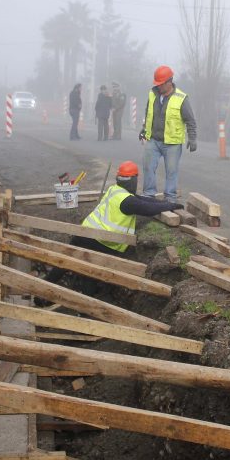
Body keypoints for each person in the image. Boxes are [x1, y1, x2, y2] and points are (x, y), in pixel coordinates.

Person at [43, 161, 183, 292]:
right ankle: (84, 306)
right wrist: (170, 205)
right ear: (134, 179)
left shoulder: (115, 190)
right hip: (101, 241)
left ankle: (42, 291)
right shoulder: (127, 202)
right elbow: (147, 208)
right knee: (91, 272)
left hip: (85, 233)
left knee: (66, 262)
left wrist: (165, 203)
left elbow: (142, 200)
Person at [139, 65, 198, 200]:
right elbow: (149, 114)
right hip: (153, 139)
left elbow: (190, 120)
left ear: (169, 82)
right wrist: (144, 129)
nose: (158, 87)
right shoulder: (152, 94)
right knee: (148, 167)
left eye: (161, 84)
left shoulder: (181, 98)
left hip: (172, 143)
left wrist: (193, 138)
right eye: (157, 84)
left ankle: (170, 198)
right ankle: (149, 195)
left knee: (171, 172)